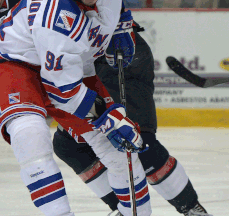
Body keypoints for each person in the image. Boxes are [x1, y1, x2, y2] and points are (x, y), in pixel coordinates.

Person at [0, 0, 152, 215]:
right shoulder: (53, 15)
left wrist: (122, 22)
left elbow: (116, 6)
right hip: (16, 64)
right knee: (31, 138)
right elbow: (64, 91)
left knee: (117, 147)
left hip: (70, 66)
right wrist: (107, 116)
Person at [53, 6, 214, 216]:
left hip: (119, 55)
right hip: (84, 63)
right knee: (68, 144)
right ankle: (125, 209)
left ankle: (193, 210)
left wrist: (120, 22)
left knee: (135, 141)